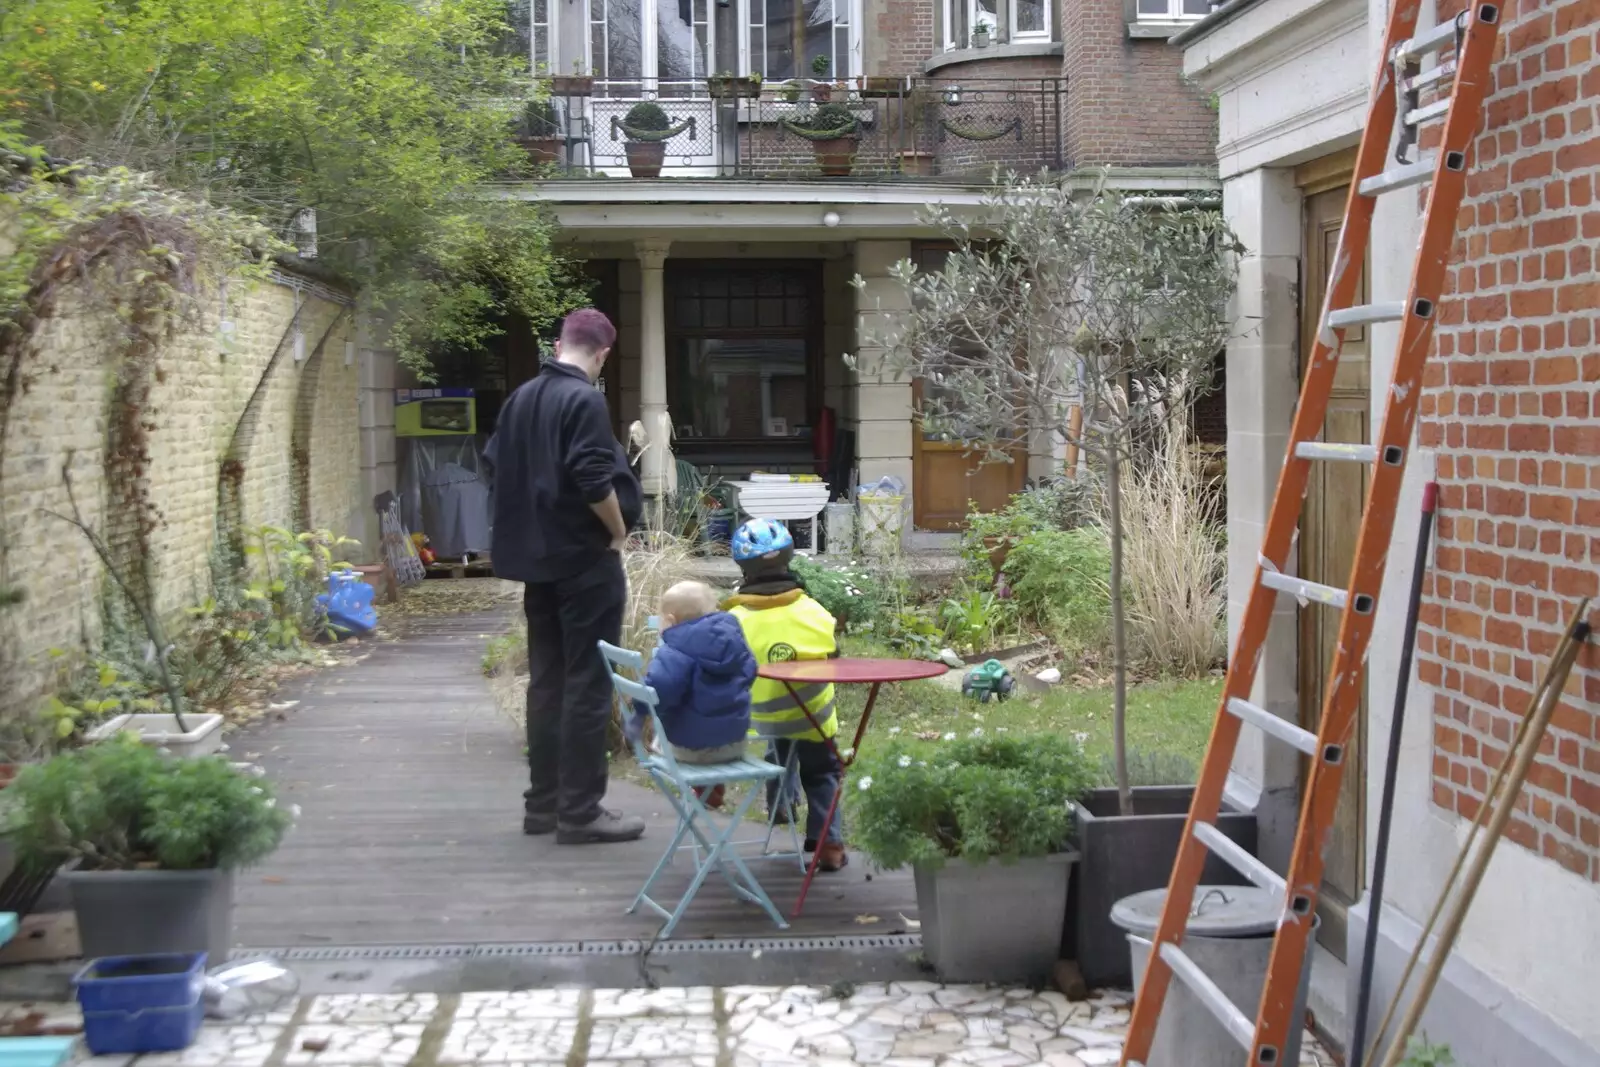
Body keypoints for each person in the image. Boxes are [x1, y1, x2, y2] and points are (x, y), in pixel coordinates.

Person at [484, 308, 645, 845]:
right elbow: (591, 474)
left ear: (559, 345)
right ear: (602, 353)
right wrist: (618, 532)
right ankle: (580, 811)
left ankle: (543, 806)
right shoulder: (585, 399)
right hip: (583, 561)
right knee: (588, 683)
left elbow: (495, 462)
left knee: (547, 681)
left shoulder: (520, 399)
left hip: (537, 564)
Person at [724, 519, 848, 872]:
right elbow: (834, 657)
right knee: (823, 772)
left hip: (759, 719)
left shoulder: (733, 620)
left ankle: (780, 802)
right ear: (790, 558)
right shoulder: (814, 612)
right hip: (813, 717)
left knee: (778, 741)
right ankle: (830, 845)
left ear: (742, 568)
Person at [624, 582, 755, 811]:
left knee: (661, 738)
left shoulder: (675, 649)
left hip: (691, 751)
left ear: (672, 620)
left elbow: (659, 689)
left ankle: (704, 788)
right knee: (706, 723)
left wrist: (639, 712)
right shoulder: (734, 638)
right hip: (736, 744)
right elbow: (751, 672)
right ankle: (711, 787)